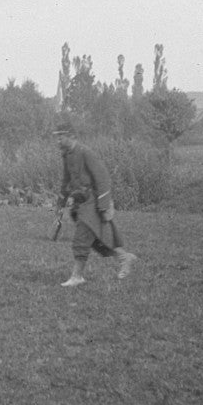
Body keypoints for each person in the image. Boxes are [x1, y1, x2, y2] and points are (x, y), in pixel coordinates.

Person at [55, 122, 138, 286]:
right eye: (57, 137)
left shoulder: (86, 153)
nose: (58, 140)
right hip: (81, 203)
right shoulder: (67, 155)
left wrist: (104, 205)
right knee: (98, 237)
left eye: (61, 136)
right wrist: (60, 203)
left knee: (82, 237)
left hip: (93, 201)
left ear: (72, 136)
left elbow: (103, 178)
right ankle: (125, 258)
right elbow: (66, 181)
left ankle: (77, 276)